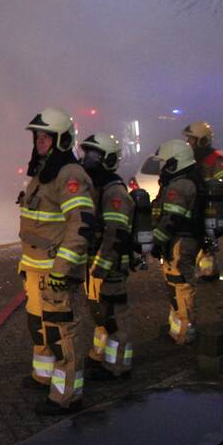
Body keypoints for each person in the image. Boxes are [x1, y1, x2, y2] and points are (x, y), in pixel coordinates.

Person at [18, 108, 98, 415]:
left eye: (45, 137)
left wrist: (61, 269)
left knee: (61, 332)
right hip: (35, 266)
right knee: (39, 326)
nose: (39, 142)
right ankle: (44, 376)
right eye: (37, 137)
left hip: (55, 270)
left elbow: (80, 226)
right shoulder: (43, 172)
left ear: (61, 140)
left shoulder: (70, 175)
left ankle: (66, 397)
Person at [79, 133, 135, 381]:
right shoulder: (95, 186)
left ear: (108, 159)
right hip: (94, 265)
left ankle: (117, 367)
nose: (88, 160)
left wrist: (101, 265)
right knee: (100, 314)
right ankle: (100, 356)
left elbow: (116, 233)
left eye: (95, 155)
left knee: (114, 317)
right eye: (87, 153)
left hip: (110, 267)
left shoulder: (115, 191)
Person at [151, 139, 204, 345]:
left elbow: (172, 218)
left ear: (175, 162)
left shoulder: (180, 184)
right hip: (183, 239)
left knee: (180, 284)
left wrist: (155, 241)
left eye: (165, 163)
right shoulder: (187, 179)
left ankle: (185, 332)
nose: (162, 167)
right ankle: (178, 328)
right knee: (176, 284)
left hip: (182, 240)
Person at [182, 120, 223, 280]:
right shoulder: (190, 160)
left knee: (206, 244)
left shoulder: (215, 161)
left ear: (202, 141)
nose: (188, 143)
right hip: (195, 208)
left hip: (209, 209)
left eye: (191, 139)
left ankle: (208, 274)